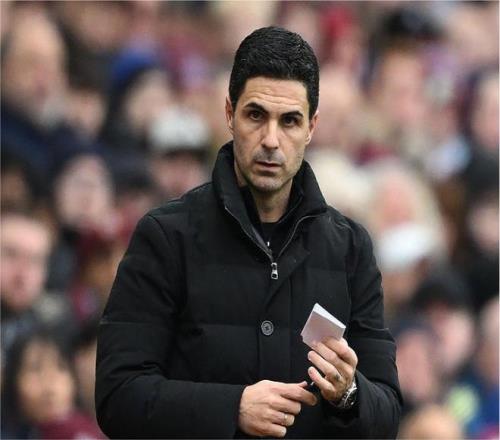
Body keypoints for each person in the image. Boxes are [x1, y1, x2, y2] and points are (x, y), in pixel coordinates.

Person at [95, 26, 402, 438]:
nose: (271, 140)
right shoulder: (165, 237)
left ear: (311, 127)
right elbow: (118, 396)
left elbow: (387, 413)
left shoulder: (350, 248)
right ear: (229, 114)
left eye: (289, 121)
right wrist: (232, 408)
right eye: (256, 115)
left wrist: (349, 393)